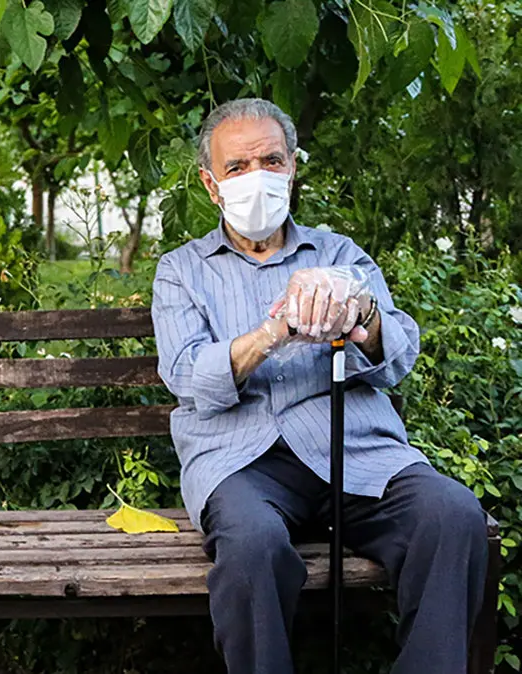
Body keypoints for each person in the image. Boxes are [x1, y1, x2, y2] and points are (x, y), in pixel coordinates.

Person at [151, 98, 488, 674]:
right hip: (242, 461)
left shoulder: (339, 254)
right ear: (211, 185)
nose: (257, 177)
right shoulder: (181, 270)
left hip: (354, 452)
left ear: (292, 168)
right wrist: (272, 333)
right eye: (237, 167)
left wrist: (363, 316)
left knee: (454, 515)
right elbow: (186, 374)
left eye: (271, 161)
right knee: (252, 545)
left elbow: (397, 357)